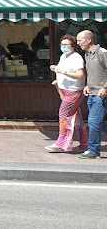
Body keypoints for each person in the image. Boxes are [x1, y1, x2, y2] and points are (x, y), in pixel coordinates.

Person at [46, 35, 87, 153]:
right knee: (77, 119)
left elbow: (80, 75)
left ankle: (62, 143)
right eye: (62, 44)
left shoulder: (76, 58)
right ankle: (84, 143)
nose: (63, 47)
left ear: (73, 46)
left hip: (73, 91)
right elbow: (61, 70)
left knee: (64, 116)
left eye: (66, 45)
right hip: (65, 90)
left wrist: (62, 71)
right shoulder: (64, 56)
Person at [76, 30, 107, 159]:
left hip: (101, 95)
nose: (78, 43)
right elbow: (93, 73)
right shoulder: (87, 54)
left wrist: (105, 87)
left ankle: (93, 151)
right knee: (98, 122)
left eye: (80, 40)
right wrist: (87, 85)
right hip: (92, 94)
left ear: (89, 40)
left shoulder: (102, 52)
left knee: (94, 122)